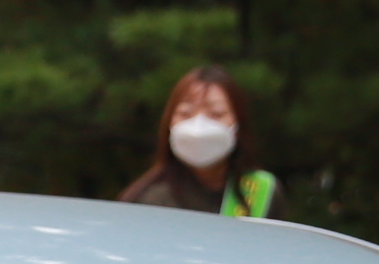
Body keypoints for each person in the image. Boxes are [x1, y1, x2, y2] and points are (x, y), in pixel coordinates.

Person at [117, 64, 278, 216]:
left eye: (216, 114)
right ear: (169, 123)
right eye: (185, 114)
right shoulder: (147, 200)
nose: (198, 127)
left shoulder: (262, 192)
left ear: (238, 124)